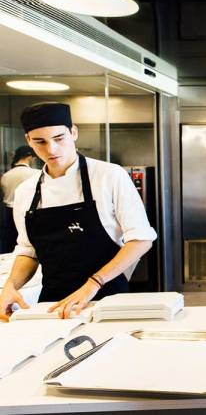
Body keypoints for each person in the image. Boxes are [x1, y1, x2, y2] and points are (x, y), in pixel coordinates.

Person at [0, 102, 157, 321]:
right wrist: (10, 286)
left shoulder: (109, 176)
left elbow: (141, 240)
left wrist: (94, 284)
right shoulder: (26, 191)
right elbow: (28, 250)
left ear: (73, 132)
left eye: (58, 138)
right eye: (40, 142)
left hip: (107, 296)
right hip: (54, 304)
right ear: (28, 140)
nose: (51, 149)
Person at [1, 145, 40, 253]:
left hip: (8, 213)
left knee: (10, 243)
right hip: (28, 212)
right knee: (27, 245)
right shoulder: (36, 174)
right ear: (29, 158)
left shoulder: (6, 175)